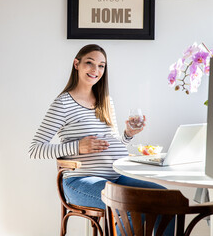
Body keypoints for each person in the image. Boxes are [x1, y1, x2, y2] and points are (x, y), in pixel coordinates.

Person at [29, 44, 173, 235]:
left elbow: (113, 144)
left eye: (101, 66)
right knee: (131, 208)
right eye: (90, 63)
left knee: (167, 199)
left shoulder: (106, 101)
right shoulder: (63, 103)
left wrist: (128, 134)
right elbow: (35, 149)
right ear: (76, 64)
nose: (96, 70)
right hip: (80, 182)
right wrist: (78, 146)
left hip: (115, 177)